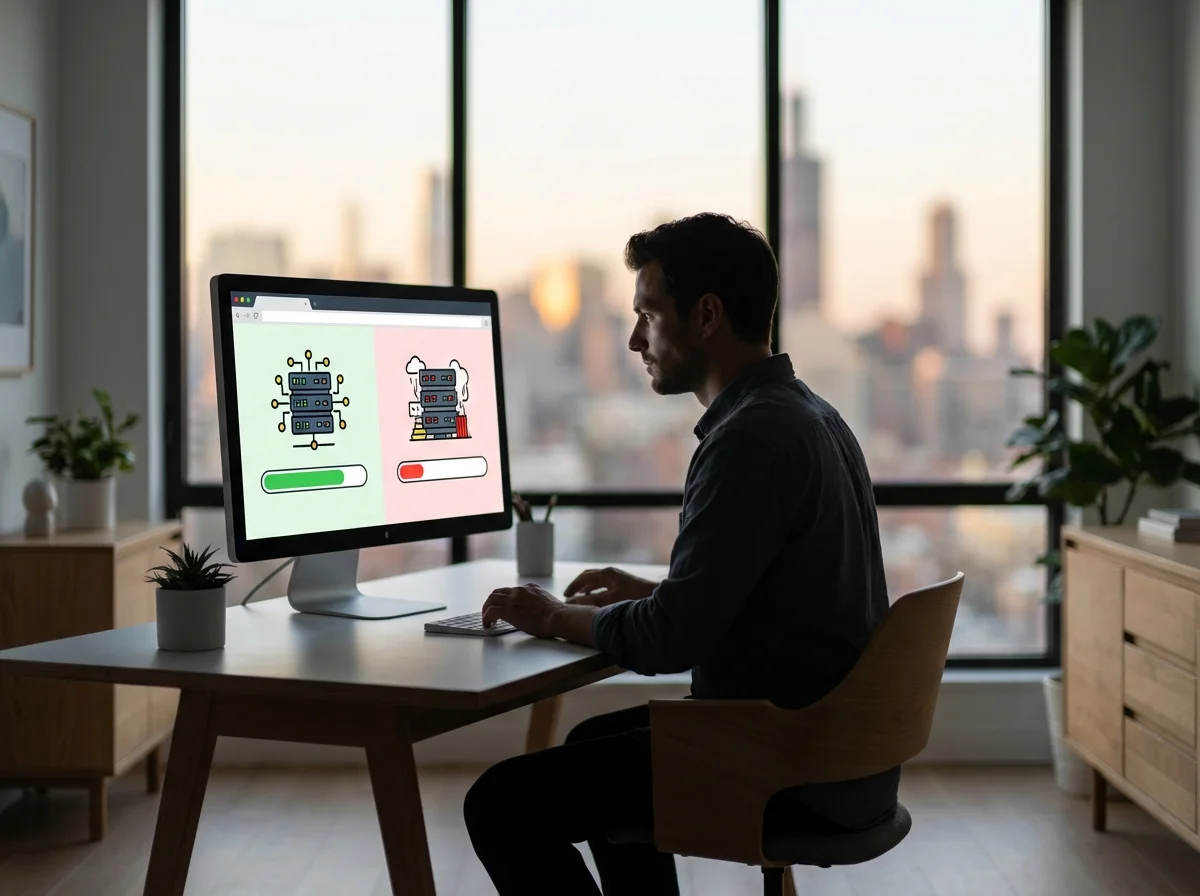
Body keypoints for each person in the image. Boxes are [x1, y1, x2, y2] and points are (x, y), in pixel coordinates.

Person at [465, 213, 895, 896]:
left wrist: (552, 617)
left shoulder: (748, 441)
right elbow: (751, 593)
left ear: (705, 316)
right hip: (840, 754)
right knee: (588, 750)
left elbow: (668, 640)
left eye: (648, 314)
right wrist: (648, 589)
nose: (636, 338)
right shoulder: (808, 414)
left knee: (499, 803)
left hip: (786, 762)